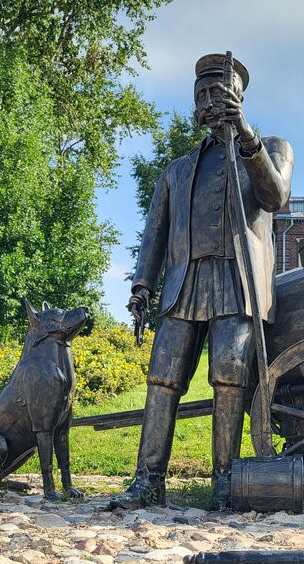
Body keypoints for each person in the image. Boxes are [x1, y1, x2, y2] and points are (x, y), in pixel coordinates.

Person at [111, 53, 293, 510]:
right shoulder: (177, 169)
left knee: (230, 375)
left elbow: (275, 197)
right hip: (184, 282)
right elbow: (154, 235)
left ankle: (225, 482)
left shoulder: (271, 146)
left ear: (238, 97)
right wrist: (141, 286)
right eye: (201, 95)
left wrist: (246, 137)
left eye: (218, 93)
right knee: (162, 376)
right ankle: (147, 481)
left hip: (238, 278)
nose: (209, 102)